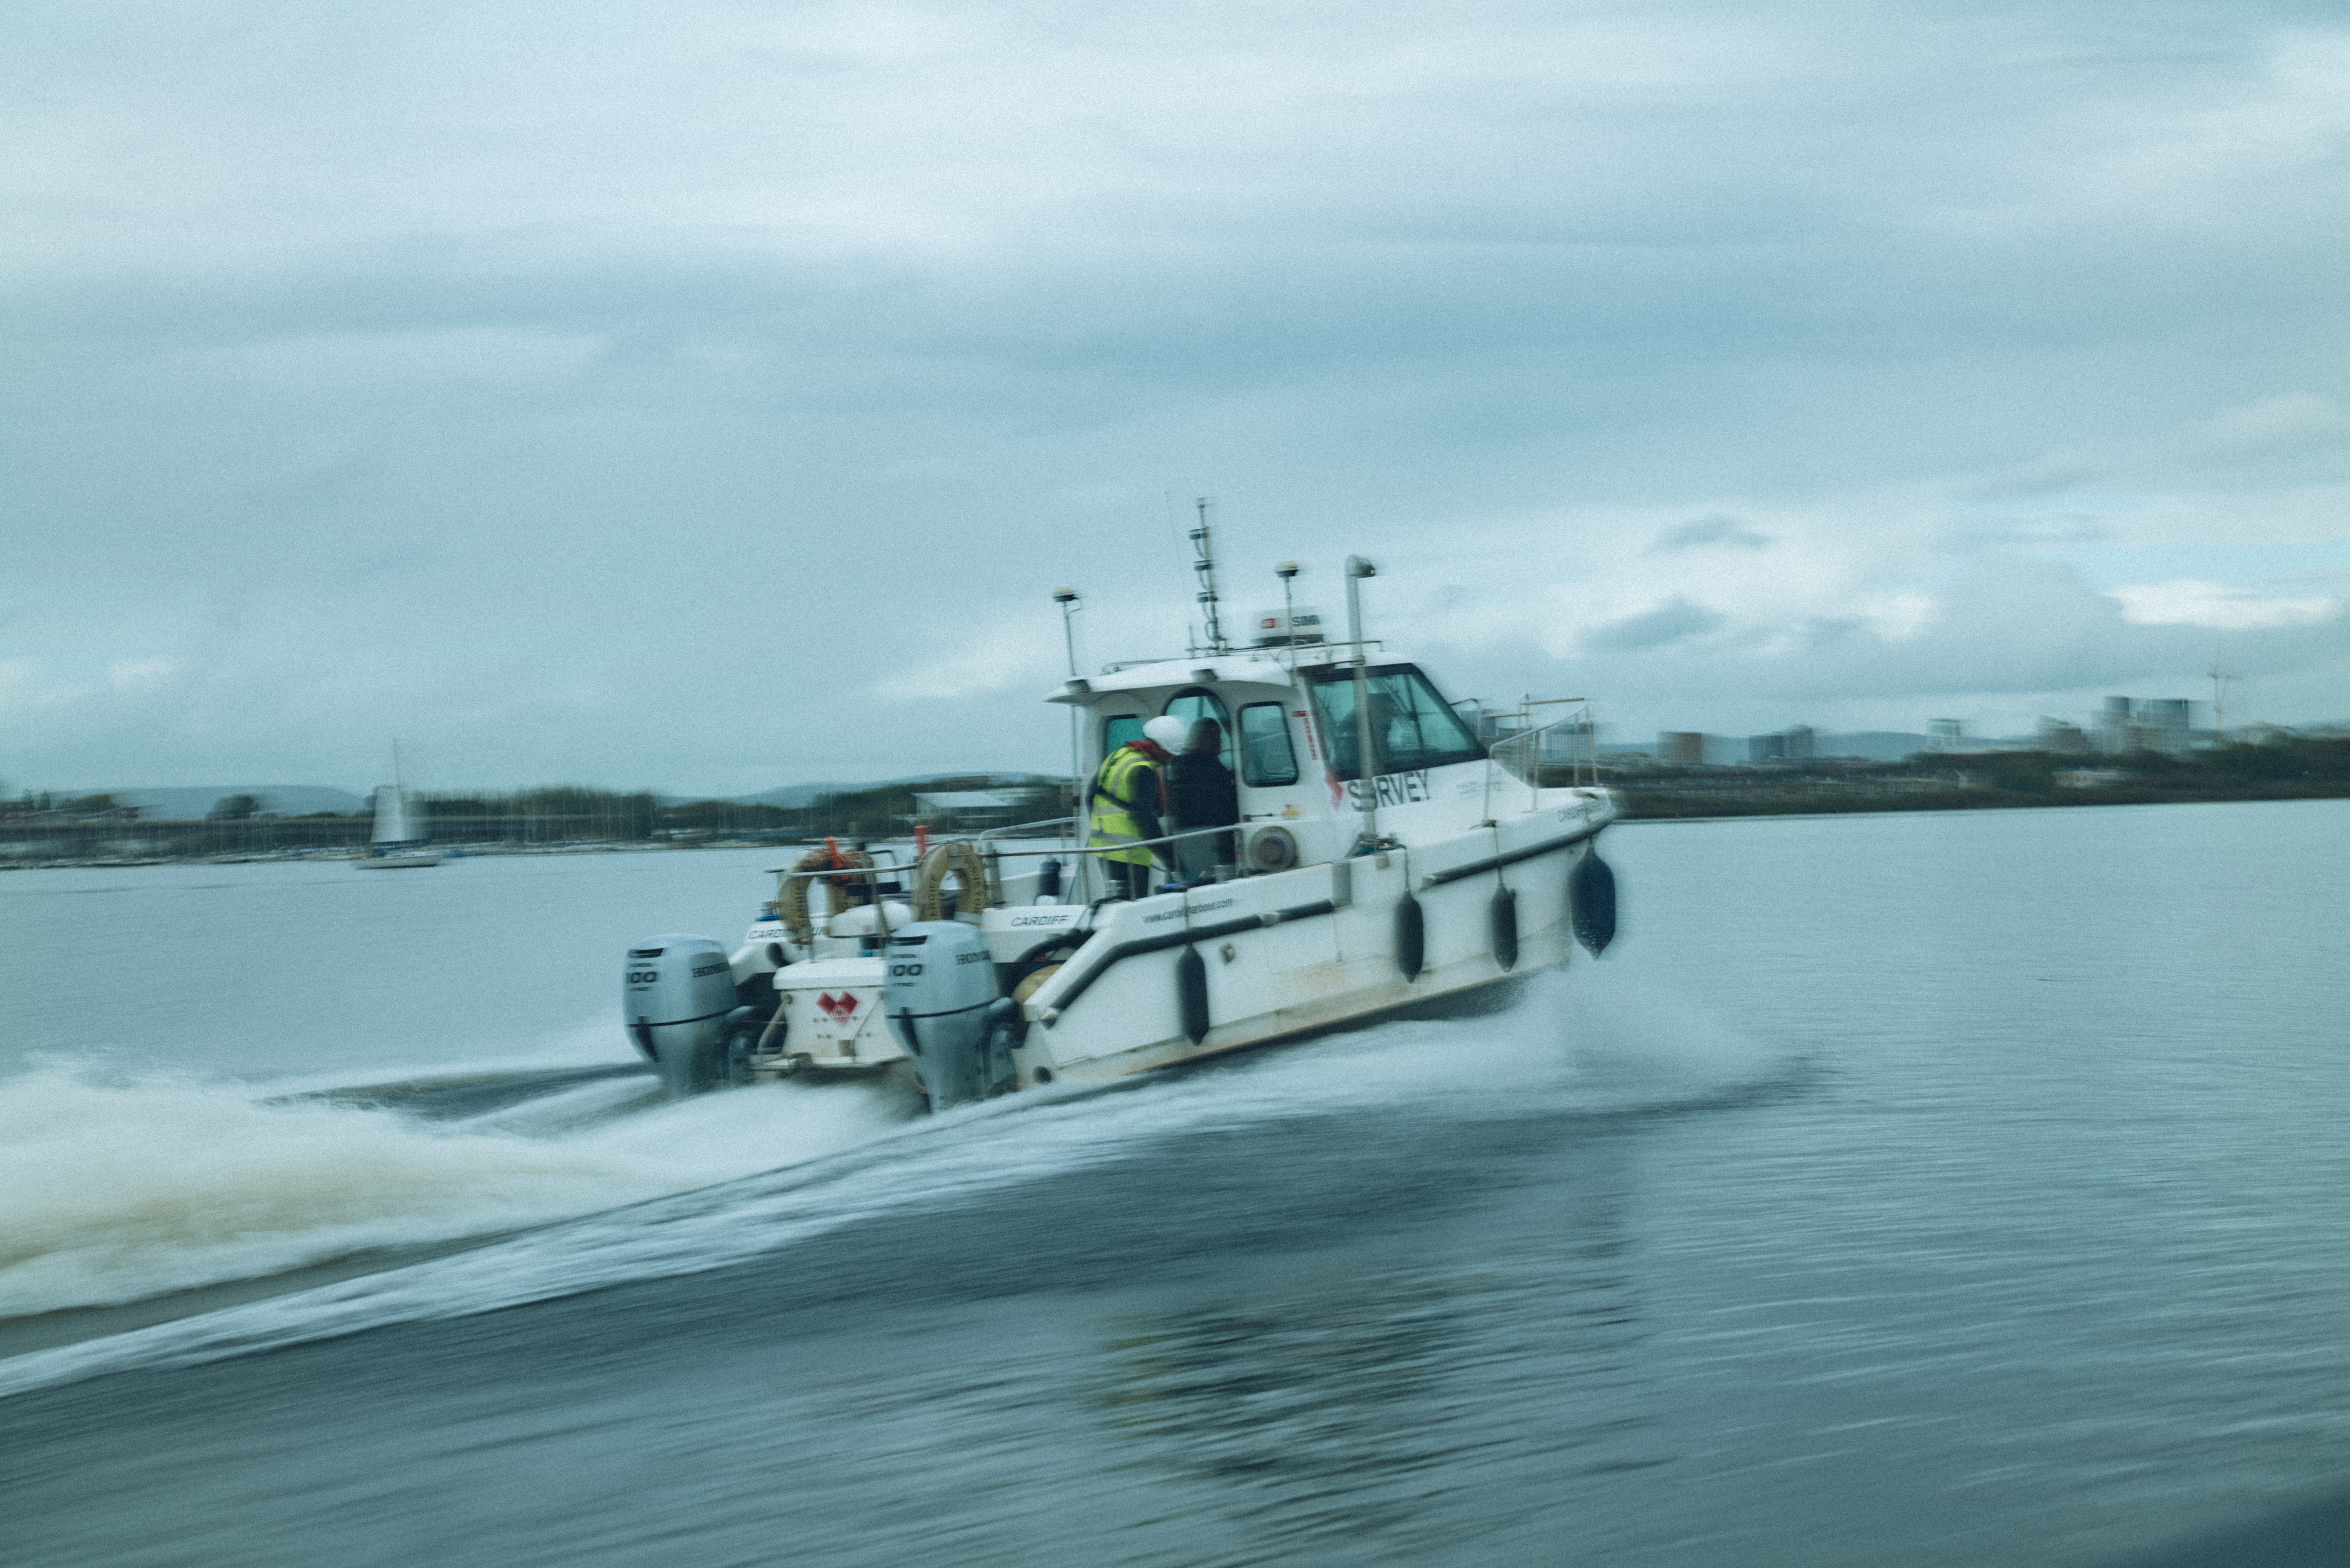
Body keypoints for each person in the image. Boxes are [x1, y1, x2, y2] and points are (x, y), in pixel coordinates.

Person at [1090, 714, 1186, 898]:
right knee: (1136, 906)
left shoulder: (1117, 757)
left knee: (1118, 902)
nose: (1170, 760)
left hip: (1103, 848)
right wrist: (1171, 859)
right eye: (1169, 754)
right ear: (1158, 747)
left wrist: (1101, 827)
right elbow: (1146, 820)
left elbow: (1091, 796)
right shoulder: (1144, 770)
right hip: (1130, 853)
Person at [1169, 718, 1239, 882]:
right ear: (1201, 739)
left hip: (1184, 835)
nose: (1219, 741)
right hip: (1212, 836)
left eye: (1219, 736)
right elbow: (1222, 802)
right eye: (1213, 736)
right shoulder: (1209, 767)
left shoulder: (1183, 762)